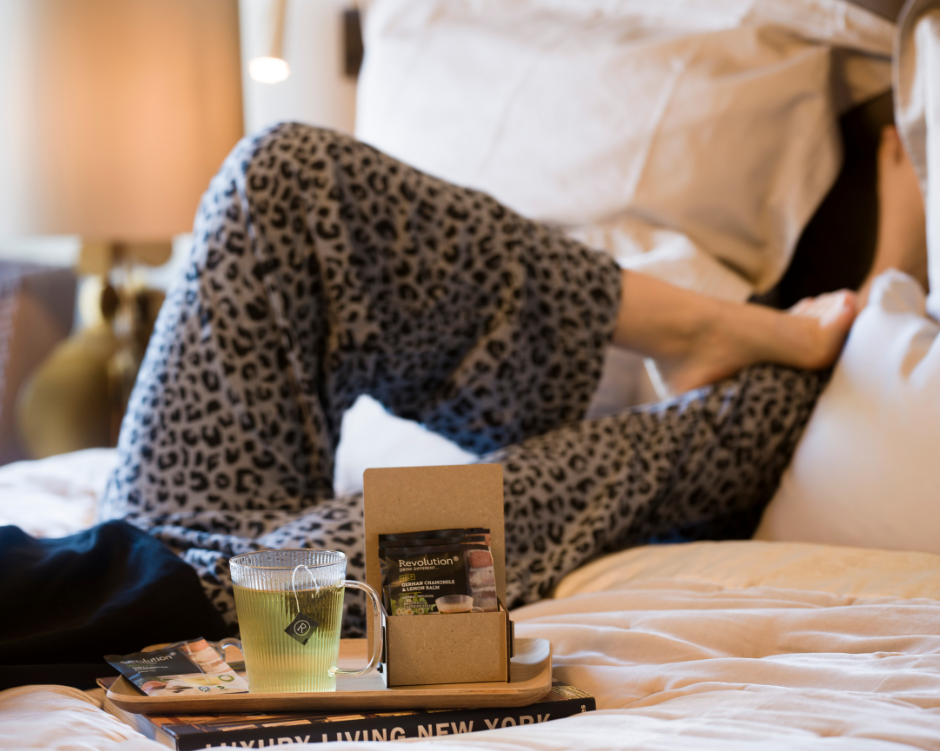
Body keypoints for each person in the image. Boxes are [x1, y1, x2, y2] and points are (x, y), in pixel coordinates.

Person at [100, 122, 925, 635]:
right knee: (555, 492)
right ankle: (880, 316)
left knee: (285, 176)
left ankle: (700, 327)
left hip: (126, 544)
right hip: (214, 611)